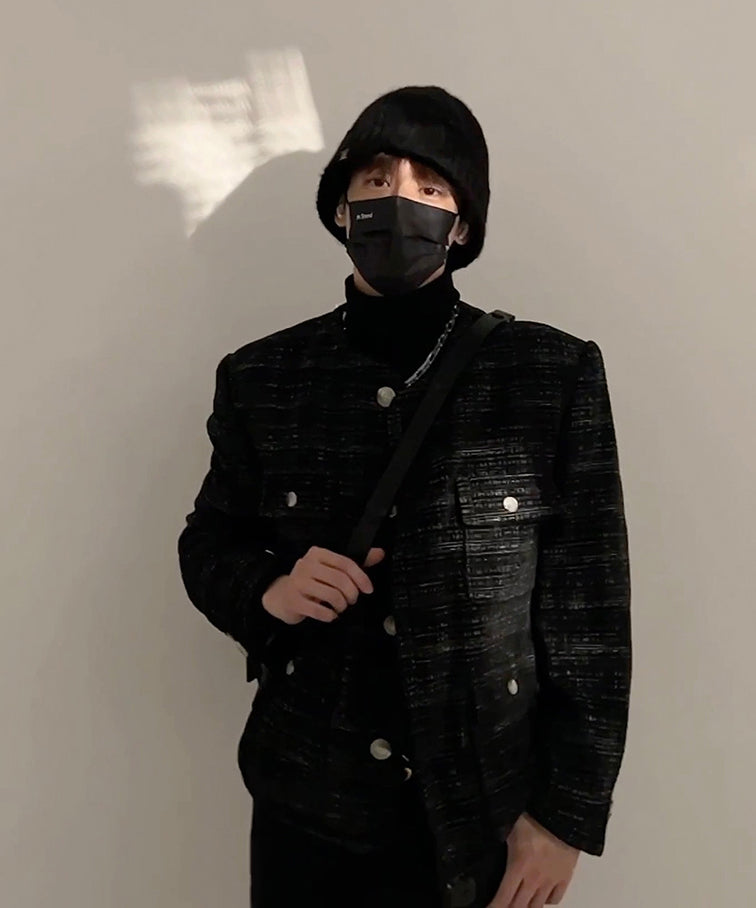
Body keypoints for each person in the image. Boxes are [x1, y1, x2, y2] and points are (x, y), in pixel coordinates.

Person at [177, 85, 632, 908]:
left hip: (481, 819)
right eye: (377, 178)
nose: (399, 199)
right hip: (307, 810)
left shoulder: (549, 374)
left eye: (431, 185)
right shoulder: (262, 376)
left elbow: (591, 620)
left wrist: (563, 818)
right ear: (341, 208)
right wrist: (269, 589)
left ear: (463, 226)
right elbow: (208, 542)